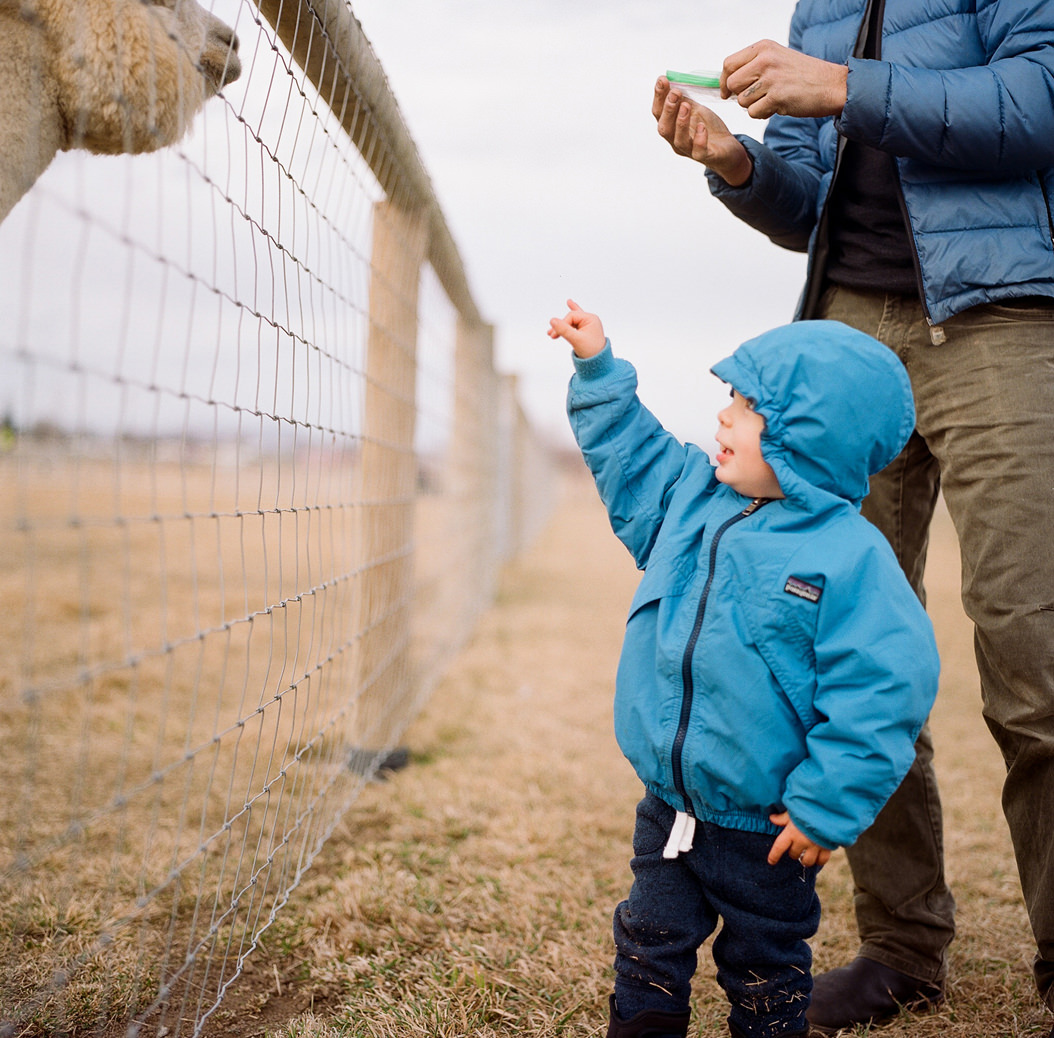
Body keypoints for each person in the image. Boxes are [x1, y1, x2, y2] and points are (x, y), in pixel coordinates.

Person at [651, 1, 1054, 1032]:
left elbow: (1039, 101)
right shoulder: (819, 6)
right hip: (844, 346)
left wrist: (837, 87)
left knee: (1032, 655)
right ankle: (902, 947)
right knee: (838, 655)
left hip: (1004, 318)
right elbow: (809, 206)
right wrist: (737, 165)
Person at [547, 299, 940, 1038]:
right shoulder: (691, 499)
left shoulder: (850, 560)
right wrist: (598, 369)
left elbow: (883, 694)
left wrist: (827, 805)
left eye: (747, 405)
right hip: (671, 805)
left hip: (769, 827)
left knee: (764, 966)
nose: (723, 417)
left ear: (806, 438)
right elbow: (630, 458)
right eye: (728, 399)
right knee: (648, 939)